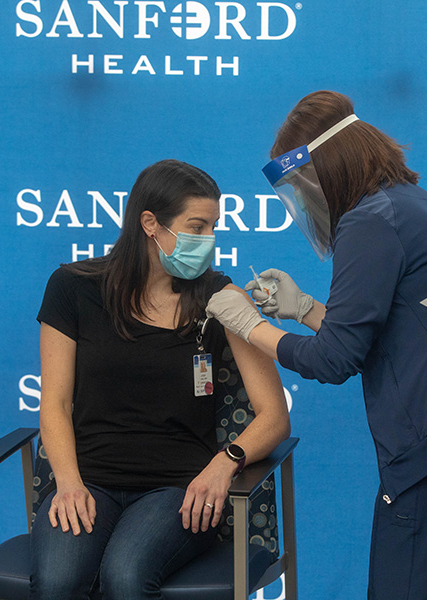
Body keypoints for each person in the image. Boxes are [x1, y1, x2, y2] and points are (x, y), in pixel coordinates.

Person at [205, 91, 427, 600]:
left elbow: (335, 359)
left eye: (302, 183)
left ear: (325, 166)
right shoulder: (415, 206)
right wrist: (306, 308)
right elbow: (398, 329)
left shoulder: (368, 221)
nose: (307, 198)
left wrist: (251, 326)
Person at [29, 159, 290, 599]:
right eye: (197, 227)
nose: (208, 241)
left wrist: (225, 463)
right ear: (150, 223)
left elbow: (275, 416)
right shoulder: (71, 287)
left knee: (125, 577)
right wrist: (69, 484)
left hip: (179, 490)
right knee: (56, 582)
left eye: (213, 228)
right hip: (89, 478)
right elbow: (53, 404)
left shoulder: (221, 298)